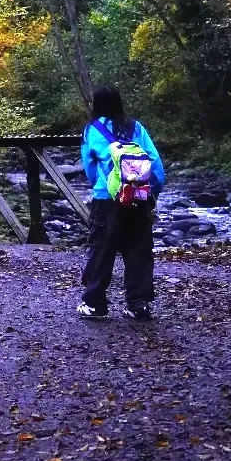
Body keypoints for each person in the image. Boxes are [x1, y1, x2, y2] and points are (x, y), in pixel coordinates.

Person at [77, 84, 165, 321]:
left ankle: (95, 302)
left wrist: (105, 187)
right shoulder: (136, 127)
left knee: (101, 249)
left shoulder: (91, 131)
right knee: (138, 250)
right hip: (138, 198)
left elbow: (90, 170)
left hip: (107, 201)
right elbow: (156, 166)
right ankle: (138, 304)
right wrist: (151, 194)